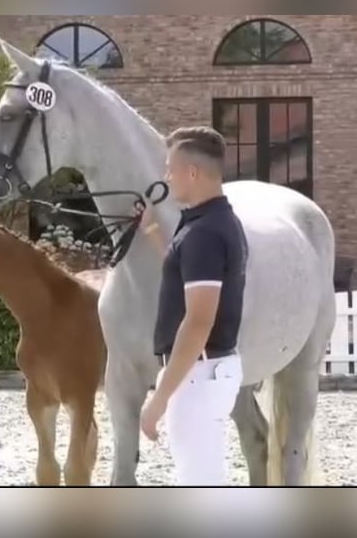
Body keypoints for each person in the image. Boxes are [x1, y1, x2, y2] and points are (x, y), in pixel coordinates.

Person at [139, 126, 248, 486]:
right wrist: (154, 232)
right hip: (206, 371)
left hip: (198, 375)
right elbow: (183, 266)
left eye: (170, 168)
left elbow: (199, 322)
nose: (167, 177)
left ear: (193, 172)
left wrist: (159, 399)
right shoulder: (214, 222)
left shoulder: (204, 233)